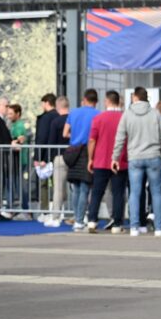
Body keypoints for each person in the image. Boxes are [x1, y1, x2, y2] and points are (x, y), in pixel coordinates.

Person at [112, 87, 161, 237]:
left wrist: (115, 158)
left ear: (134, 98)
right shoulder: (155, 114)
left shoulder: (126, 115)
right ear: (147, 98)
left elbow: (120, 138)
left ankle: (134, 227)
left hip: (135, 158)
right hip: (154, 157)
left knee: (135, 192)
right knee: (156, 192)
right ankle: (159, 228)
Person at [86, 90, 128, 234]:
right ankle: (117, 223)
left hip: (101, 160)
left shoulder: (99, 118)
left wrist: (90, 158)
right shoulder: (124, 118)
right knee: (118, 193)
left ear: (107, 101)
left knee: (97, 192)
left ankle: (92, 220)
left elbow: (92, 140)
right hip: (120, 161)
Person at [63, 89, 100, 231]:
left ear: (84, 99)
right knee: (85, 188)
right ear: (95, 101)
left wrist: (75, 135)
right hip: (88, 152)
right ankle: (79, 220)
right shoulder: (98, 114)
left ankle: (76, 217)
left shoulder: (73, 112)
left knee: (76, 188)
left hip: (73, 151)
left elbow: (65, 133)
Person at [42, 96, 70, 227]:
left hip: (59, 157)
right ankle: (79, 216)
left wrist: (49, 159)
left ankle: (56, 217)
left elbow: (51, 142)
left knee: (58, 188)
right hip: (74, 156)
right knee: (77, 188)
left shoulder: (55, 122)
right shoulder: (73, 120)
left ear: (58, 106)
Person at [34, 93, 58, 219]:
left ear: (46, 103)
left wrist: (39, 158)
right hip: (57, 156)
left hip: (45, 156)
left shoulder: (44, 118)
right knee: (57, 185)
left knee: (44, 185)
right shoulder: (59, 116)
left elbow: (41, 138)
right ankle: (57, 211)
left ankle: (45, 211)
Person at [7, 103, 31, 219]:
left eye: (11, 113)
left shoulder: (19, 126)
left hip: (20, 160)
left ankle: (23, 210)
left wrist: (13, 141)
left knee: (19, 185)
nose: (9, 116)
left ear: (18, 114)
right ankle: (16, 209)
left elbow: (19, 142)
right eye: (8, 113)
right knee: (15, 184)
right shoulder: (14, 125)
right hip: (16, 160)